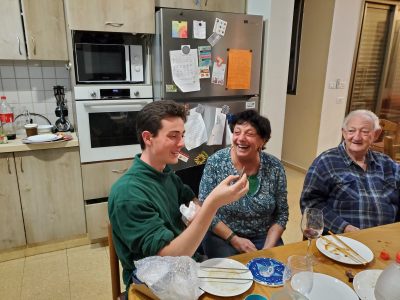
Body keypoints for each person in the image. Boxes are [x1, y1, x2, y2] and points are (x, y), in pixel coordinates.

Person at [108, 100, 249, 290]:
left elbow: (190, 198)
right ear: (148, 138)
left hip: (186, 267)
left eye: (182, 135)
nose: (182, 143)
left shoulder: (165, 173)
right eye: (173, 136)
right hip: (152, 285)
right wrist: (212, 204)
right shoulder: (129, 194)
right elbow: (166, 259)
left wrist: (197, 210)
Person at [198, 110, 289, 258]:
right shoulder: (216, 162)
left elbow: (281, 214)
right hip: (222, 235)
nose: (241, 138)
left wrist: (266, 249)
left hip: (263, 236)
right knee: (235, 274)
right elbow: (204, 207)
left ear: (263, 140)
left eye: (250, 134)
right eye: (236, 132)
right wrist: (234, 239)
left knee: (273, 272)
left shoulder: (275, 167)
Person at [300, 109, 400, 234]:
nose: (357, 137)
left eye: (364, 131)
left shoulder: (387, 164)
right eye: (351, 131)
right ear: (343, 133)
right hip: (343, 241)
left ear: (376, 134)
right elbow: (311, 204)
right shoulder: (326, 162)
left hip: (385, 239)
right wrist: (344, 227)